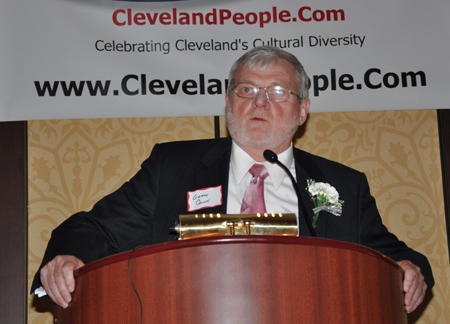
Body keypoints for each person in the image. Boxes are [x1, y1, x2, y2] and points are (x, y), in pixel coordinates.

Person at [32, 46, 433, 313]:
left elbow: (396, 257)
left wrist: (410, 271)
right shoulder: (173, 168)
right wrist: (68, 257)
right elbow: (93, 228)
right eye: (247, 89)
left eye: (277, 91)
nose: (260, 101)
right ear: (228, 103)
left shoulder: (343, 184)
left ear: (303, 110)